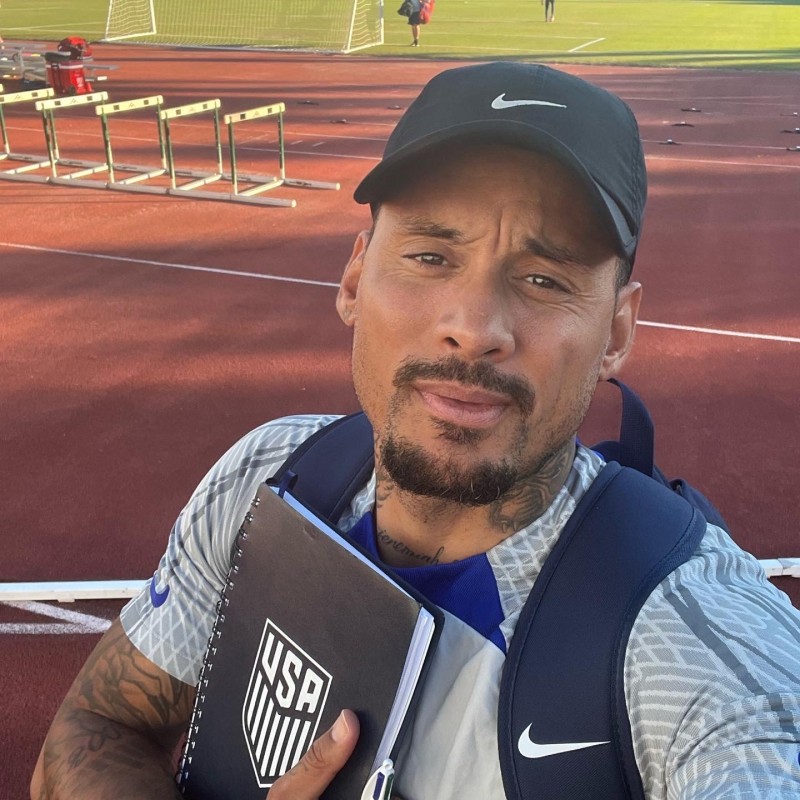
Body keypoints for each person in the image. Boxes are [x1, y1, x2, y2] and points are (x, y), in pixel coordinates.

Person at [31, 61, 800, 800]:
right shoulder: (264, 477)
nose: (472, 328)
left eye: (544, 279)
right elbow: (99, 724)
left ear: (618, 332)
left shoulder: (684, 638)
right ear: (355, 279)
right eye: (432, 255)